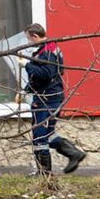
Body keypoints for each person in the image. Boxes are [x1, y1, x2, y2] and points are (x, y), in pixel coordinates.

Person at [22, 22, 86, 176]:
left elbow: (46, 74)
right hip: (49, 97)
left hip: (47, 99)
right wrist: (26, 90)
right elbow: (49, 76)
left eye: (29, 39)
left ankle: (44, 174)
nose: (28, 43)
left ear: (35, 36)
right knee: (48, 133)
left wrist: (26, 65)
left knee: (40, 135)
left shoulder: (48, 51)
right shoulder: (48, 49)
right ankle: (73, 153)